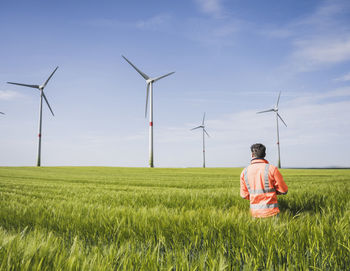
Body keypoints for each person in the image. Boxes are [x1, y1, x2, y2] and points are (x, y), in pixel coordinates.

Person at [240, 143, 288, 218]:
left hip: (254, 214)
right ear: (264, 154)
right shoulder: (272, 169)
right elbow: (284, 191)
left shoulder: (244, 172)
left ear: (252, 155)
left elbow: (244, 195)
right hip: (272, 213)